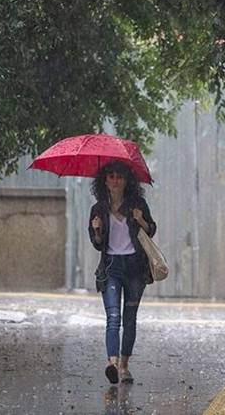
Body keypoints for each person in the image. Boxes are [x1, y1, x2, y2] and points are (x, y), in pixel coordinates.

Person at [88, 160, 157, 385]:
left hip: (135, 267)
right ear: (104, 181)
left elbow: (151, 230)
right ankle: (112, 363)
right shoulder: (98, 209)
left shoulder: (137, 204)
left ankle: (125, 365)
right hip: (111, 268)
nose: (115, 180)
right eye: (111, 176)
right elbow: (98, 244)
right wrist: (97, 230)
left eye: (120, 176)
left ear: (127, 181)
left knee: (129, 319)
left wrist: (141, 220)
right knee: (113, 317)